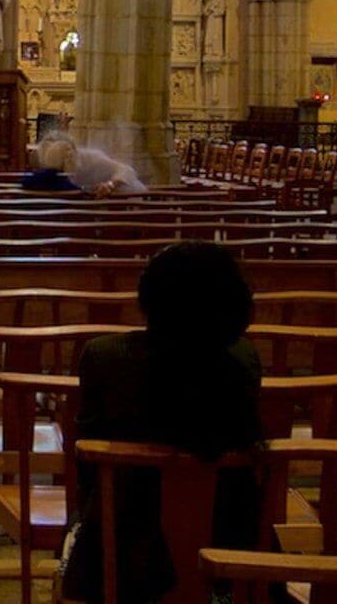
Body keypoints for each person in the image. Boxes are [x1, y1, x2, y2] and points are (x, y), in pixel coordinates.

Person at [59, 242, 265, 604]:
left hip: (118, 562)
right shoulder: (244, 358)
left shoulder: (104, 357)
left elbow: (88, 470)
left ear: (148, 299)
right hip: (232, 558)